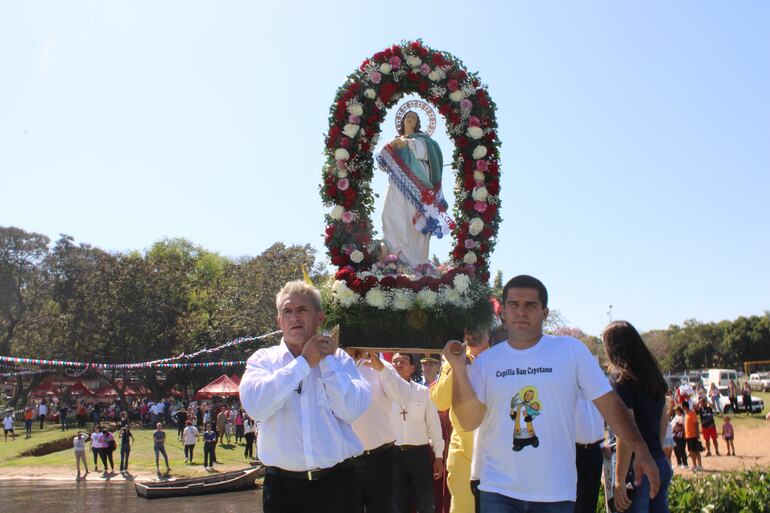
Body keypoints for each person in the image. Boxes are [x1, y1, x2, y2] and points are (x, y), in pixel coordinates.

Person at [442, 275, 660, 513]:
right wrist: (459, 369)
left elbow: (610, 404)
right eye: (514, 305)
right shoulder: (485, 363)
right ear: (502, 312)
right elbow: (468, 420)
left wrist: (642, 450)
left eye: (530, 306)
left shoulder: (570, 351)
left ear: (545, 313)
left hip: (555, 492)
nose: (521, 312)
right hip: (497, 490)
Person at [239, 280, 371, 513]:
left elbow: (351, 411)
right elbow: (256, 407)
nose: (294, 318)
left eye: (302, 310)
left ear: (319, 318)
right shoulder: (263, 360)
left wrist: (326, 362)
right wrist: (303, 364)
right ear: (279, 321)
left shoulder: (340, 360)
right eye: (287, 312)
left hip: (339, 486)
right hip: (283, 491)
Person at [602, 320, 673, 513]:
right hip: (658, 460)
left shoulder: (621, 378)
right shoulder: (653, 376)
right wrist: (650, 451)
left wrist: (618, 479)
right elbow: (663, 421)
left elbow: (625, 429)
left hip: (634, 469)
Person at [376, 110, 449, 268]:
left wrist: (410, 144)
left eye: (414, 118)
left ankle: (416, 262)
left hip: (417, 187)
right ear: (402, 121)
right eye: (408, 116)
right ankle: (395, 258)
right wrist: (391, 146)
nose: (410, 119)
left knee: (412, 221)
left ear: (418, 123)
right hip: (396, 185)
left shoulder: (424, 140)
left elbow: (429, 153)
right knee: (389, 216)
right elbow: (382, 164)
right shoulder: (394, 141)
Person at [430, 326, 490, 513]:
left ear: (489, 330)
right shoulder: (450, 362)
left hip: (495, 454)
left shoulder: (501, 359)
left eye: (475, 327)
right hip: (463, 455)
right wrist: (458, 364)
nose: (469, 334)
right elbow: (439, 401)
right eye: (465, 331)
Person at [349, 349, 412, 513]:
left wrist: (383, 370)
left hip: (380, 460)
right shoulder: (334, 364)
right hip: (346, 462)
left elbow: (404, 397)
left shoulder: (381, 365)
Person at [390, 352, 444, 513]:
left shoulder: (423, 392)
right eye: (395, 361)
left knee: (425, 504)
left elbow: (433, 425)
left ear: (412, 368)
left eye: (403, 361)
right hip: (394, 455)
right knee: (398, 506)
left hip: (419, 454)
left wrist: (438, 456)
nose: (398, 364)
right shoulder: (384, 392)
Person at [574, 398, 606, 513]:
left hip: (595, 450)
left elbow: (599, 418)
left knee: (591, 499)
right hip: (575, 451)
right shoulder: (571, 391)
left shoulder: (595, 392)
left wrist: (602, 445)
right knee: (577, 501)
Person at [682, 401, 702, 471]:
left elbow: (696, 423)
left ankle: (700, 465)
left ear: (684, 407)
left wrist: (697, 433)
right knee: (691, 451)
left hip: (693, 435)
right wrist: (685, 434)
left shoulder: (692, 413)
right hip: (688, 436)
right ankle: (694, 465)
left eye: (682, 406)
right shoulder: (686, 414)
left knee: (696, 451)